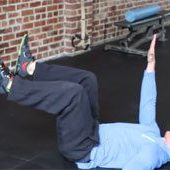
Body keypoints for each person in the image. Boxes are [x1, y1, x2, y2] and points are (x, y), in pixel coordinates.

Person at [0, 34, 100, 162]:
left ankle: (10, 86)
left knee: (74, 93)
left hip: (82, 148)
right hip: (93, 127)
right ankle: (29, 67)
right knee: (88, 78)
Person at [76, 34, 170, 170]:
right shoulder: (153, 132)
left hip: (85, 149)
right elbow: (148, 102)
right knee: (85, 82)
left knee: (74, 93)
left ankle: (33, 70)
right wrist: (151, 64)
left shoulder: (155, 152)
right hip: (89, 131)